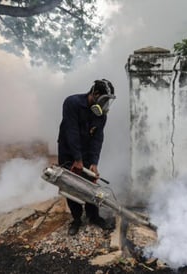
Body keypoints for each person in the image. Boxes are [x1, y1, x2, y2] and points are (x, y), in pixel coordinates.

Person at [57, 79, 116, 235]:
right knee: (71, 184)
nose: (105, 105)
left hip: (87, 153)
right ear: (95, 94)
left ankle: (93, 216)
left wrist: (94, 163)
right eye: (104, 100)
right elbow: (71, 132)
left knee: (91, 184)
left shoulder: (101, 115)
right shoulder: (72, 103)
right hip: (68, 151)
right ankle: (76, 219)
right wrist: (77, 159)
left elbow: (97, 139)